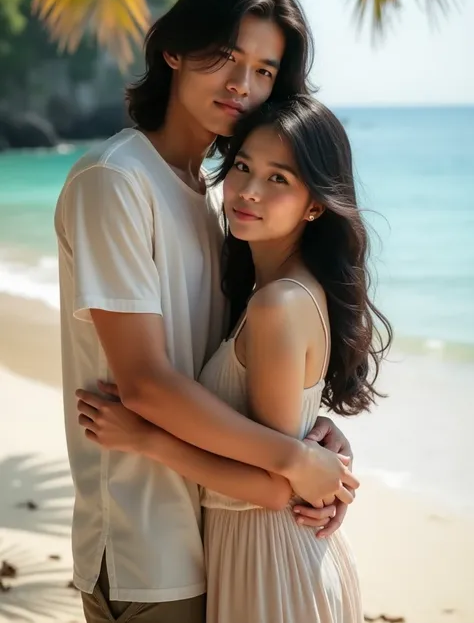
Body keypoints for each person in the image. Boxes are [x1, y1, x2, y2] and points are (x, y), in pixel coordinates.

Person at [57, 0, 358, 623]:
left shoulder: (212, 200)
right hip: (150, 545)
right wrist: (294, 459)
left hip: (222, 536)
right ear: (173, 49)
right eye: (224, 55)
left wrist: (319, 439)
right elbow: (146, 385)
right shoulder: (115, 181)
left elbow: (238, 367)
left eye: (264, 70)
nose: (240, 85)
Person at [77, 95, 392, 622]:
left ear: (316, 204)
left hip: (272, 564)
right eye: (243, 166)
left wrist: (146, 439)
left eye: (278, 179)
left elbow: (272, 487)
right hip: (267, 556)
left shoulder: (278, 304)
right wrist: (315, 433)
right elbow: (279, 443)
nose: (247, 191)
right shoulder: (272, 293)